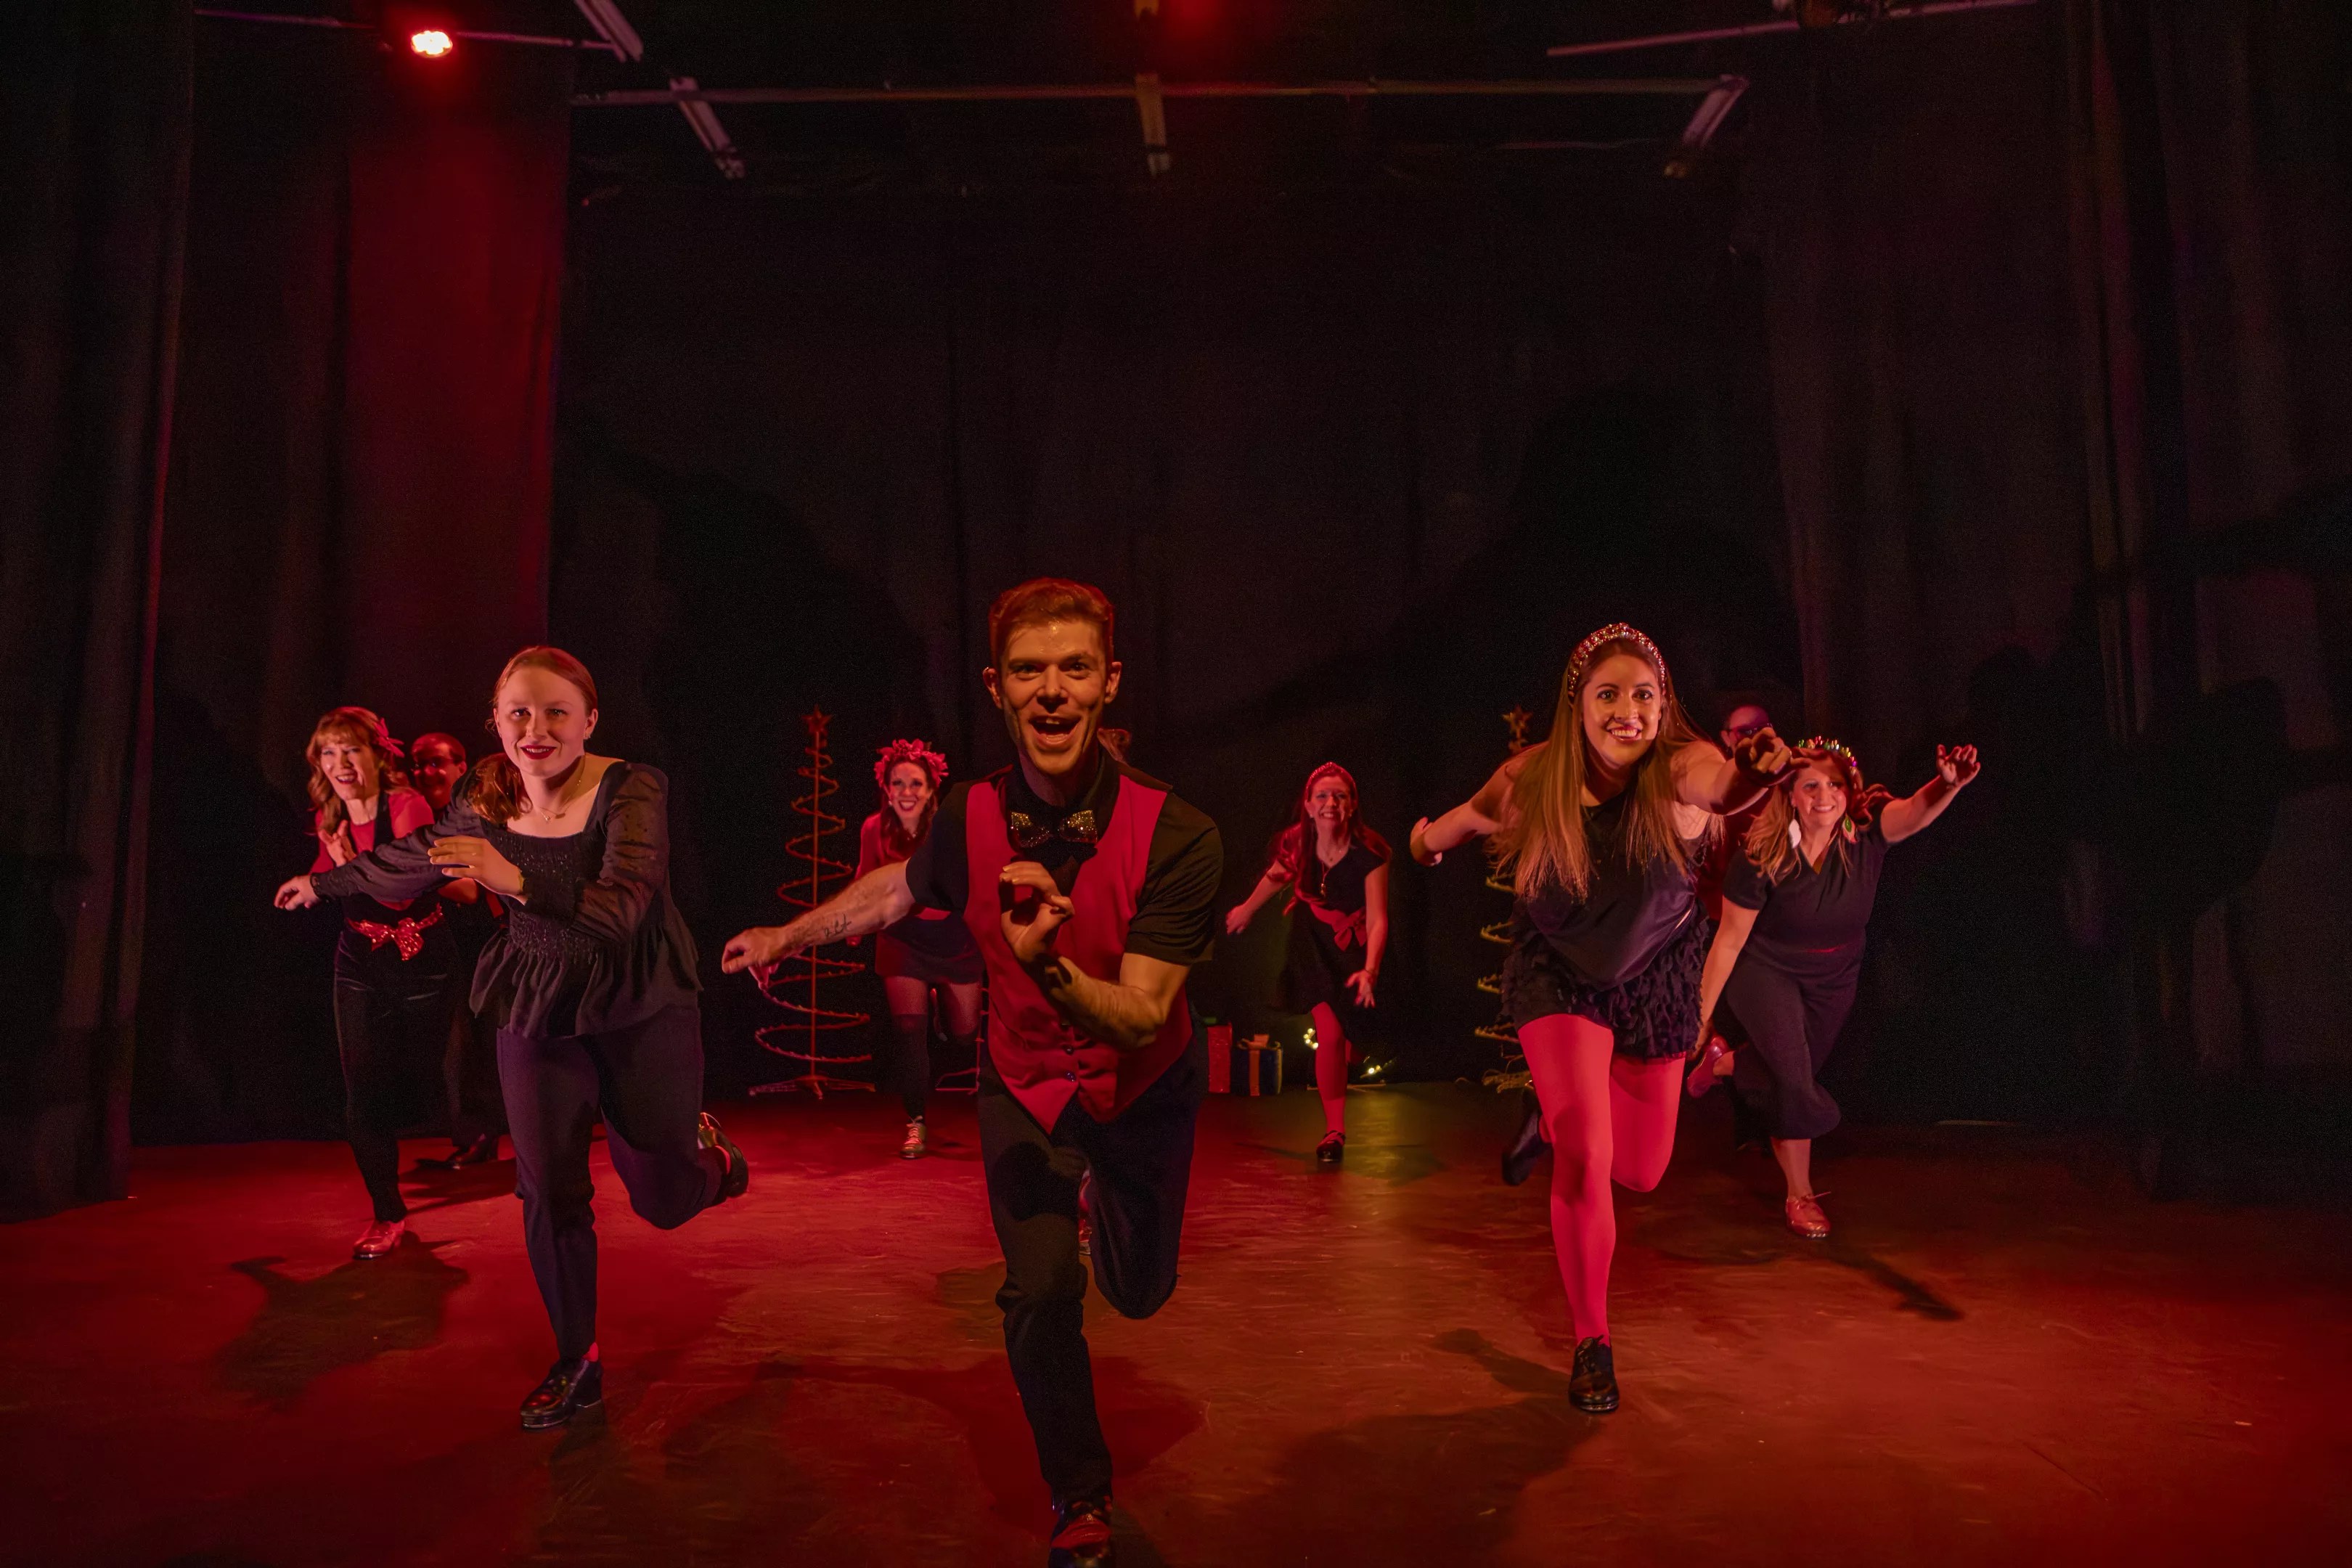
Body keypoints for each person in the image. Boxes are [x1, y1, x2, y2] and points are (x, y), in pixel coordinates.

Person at [722, 579, 1220, 1568]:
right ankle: (1080, 1492)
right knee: (1039, 1291)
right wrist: (789, 933)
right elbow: (896, 892)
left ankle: (1116, 1214)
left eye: (1074, 669)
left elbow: (1140, 1014)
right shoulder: (967, 814)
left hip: (1144, 1089)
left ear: (1109, 682)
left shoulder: (1181, 833)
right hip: (1025, 1082)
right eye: (1029, 671)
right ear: (997, 688)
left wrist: (1047, 965)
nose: (1052, 691)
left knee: (1139, 1292)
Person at [277, 648, 748, 1432]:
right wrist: (325, 884)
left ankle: (713, 1161)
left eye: (557, 711)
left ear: (590, 720)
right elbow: (416, 857)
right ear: (495, 722)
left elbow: (620, 911)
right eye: (519, 712)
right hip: (538, 999)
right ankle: (577, 1361)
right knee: (547, 1188)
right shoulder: (485, 792)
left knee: (663, 1200)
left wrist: (513, 877)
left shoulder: (632, 787)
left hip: (636, 999)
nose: (537, 728)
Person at [1410, 623, 1787, 1414]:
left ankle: (1548, 1117)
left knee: (1641, 1170)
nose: (1627, 711)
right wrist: (1422, 844)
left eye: (1643, 696)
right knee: (1588, 1151)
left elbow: (1721, 788)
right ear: (1577, 705)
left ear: (1662, 705)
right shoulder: (1533, 777)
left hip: (1655, 976)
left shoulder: (1679, 767)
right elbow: (1462, 820)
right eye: (1608, 694)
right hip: (1558, 975)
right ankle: (1592, 1343)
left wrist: (1750, 775)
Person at [1688, 737, 1982, 1238]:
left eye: (1834, 785)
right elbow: (1730, 942)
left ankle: (1723, 1064)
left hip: (1835, 977)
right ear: (1790, 795)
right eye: (1810, 787)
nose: (1824, 796)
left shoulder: (1867, 835)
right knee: (1794, 1080)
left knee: (1791, 1068)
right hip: (1767, 972)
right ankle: (1800, 1195)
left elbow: (1914, 812)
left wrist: (1947, 786)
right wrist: (1699, 1015)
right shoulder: (1759, 858)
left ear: (1849, 791)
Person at [287, 706, 452, 1261]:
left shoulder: (407, 807)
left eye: (352, 749)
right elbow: (327, 876)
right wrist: (315, 881)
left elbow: (402, 893)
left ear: (378, 756)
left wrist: (342, 868)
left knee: (421, 1089)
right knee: (362, 1095)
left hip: (421, 961)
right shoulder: (329, 813)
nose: (341, 763)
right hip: (358, 960)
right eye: (329, 752)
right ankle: (387, 1213)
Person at [1224, 762, 1390, 1164]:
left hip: (1356, 949)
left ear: (1352, 804)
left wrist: (1370, 969)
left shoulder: (1371, 850)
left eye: (1340, 796)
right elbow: (1276, 876)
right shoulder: (1299, 842)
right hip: (1313, 946)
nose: (1331, 803)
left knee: (1356, 1040)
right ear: (1309, 805)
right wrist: (1246, 909)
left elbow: (1378, 918)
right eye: (1323, 796)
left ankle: (1354, 1049)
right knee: (1329, 1034)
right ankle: (1335, 1130)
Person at [853, 738, 984, 1159]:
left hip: (953, 939)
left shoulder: (950, 827)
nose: (906, 792)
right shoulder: (874, 828)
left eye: (916, 784)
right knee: (909, 1032)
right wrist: (854, 920)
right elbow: (865, 876)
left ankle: (942, 1012)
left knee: (964, 1036)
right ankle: (916, 1120)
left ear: (931, 790)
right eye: (898, 783)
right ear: (886, 788)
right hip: (901, 940)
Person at [411, 731, 505, 1167]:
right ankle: (475, 1132)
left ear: (459, 768)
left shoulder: (471, 814)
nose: (426, 772)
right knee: (456, 1040)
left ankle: (486, 1131)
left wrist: (406, 872)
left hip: (482, 935)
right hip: (440, 939)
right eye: (418, 764)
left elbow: (471, 891)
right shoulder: (417, 819)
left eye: (436, 762)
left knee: (480, 1036)